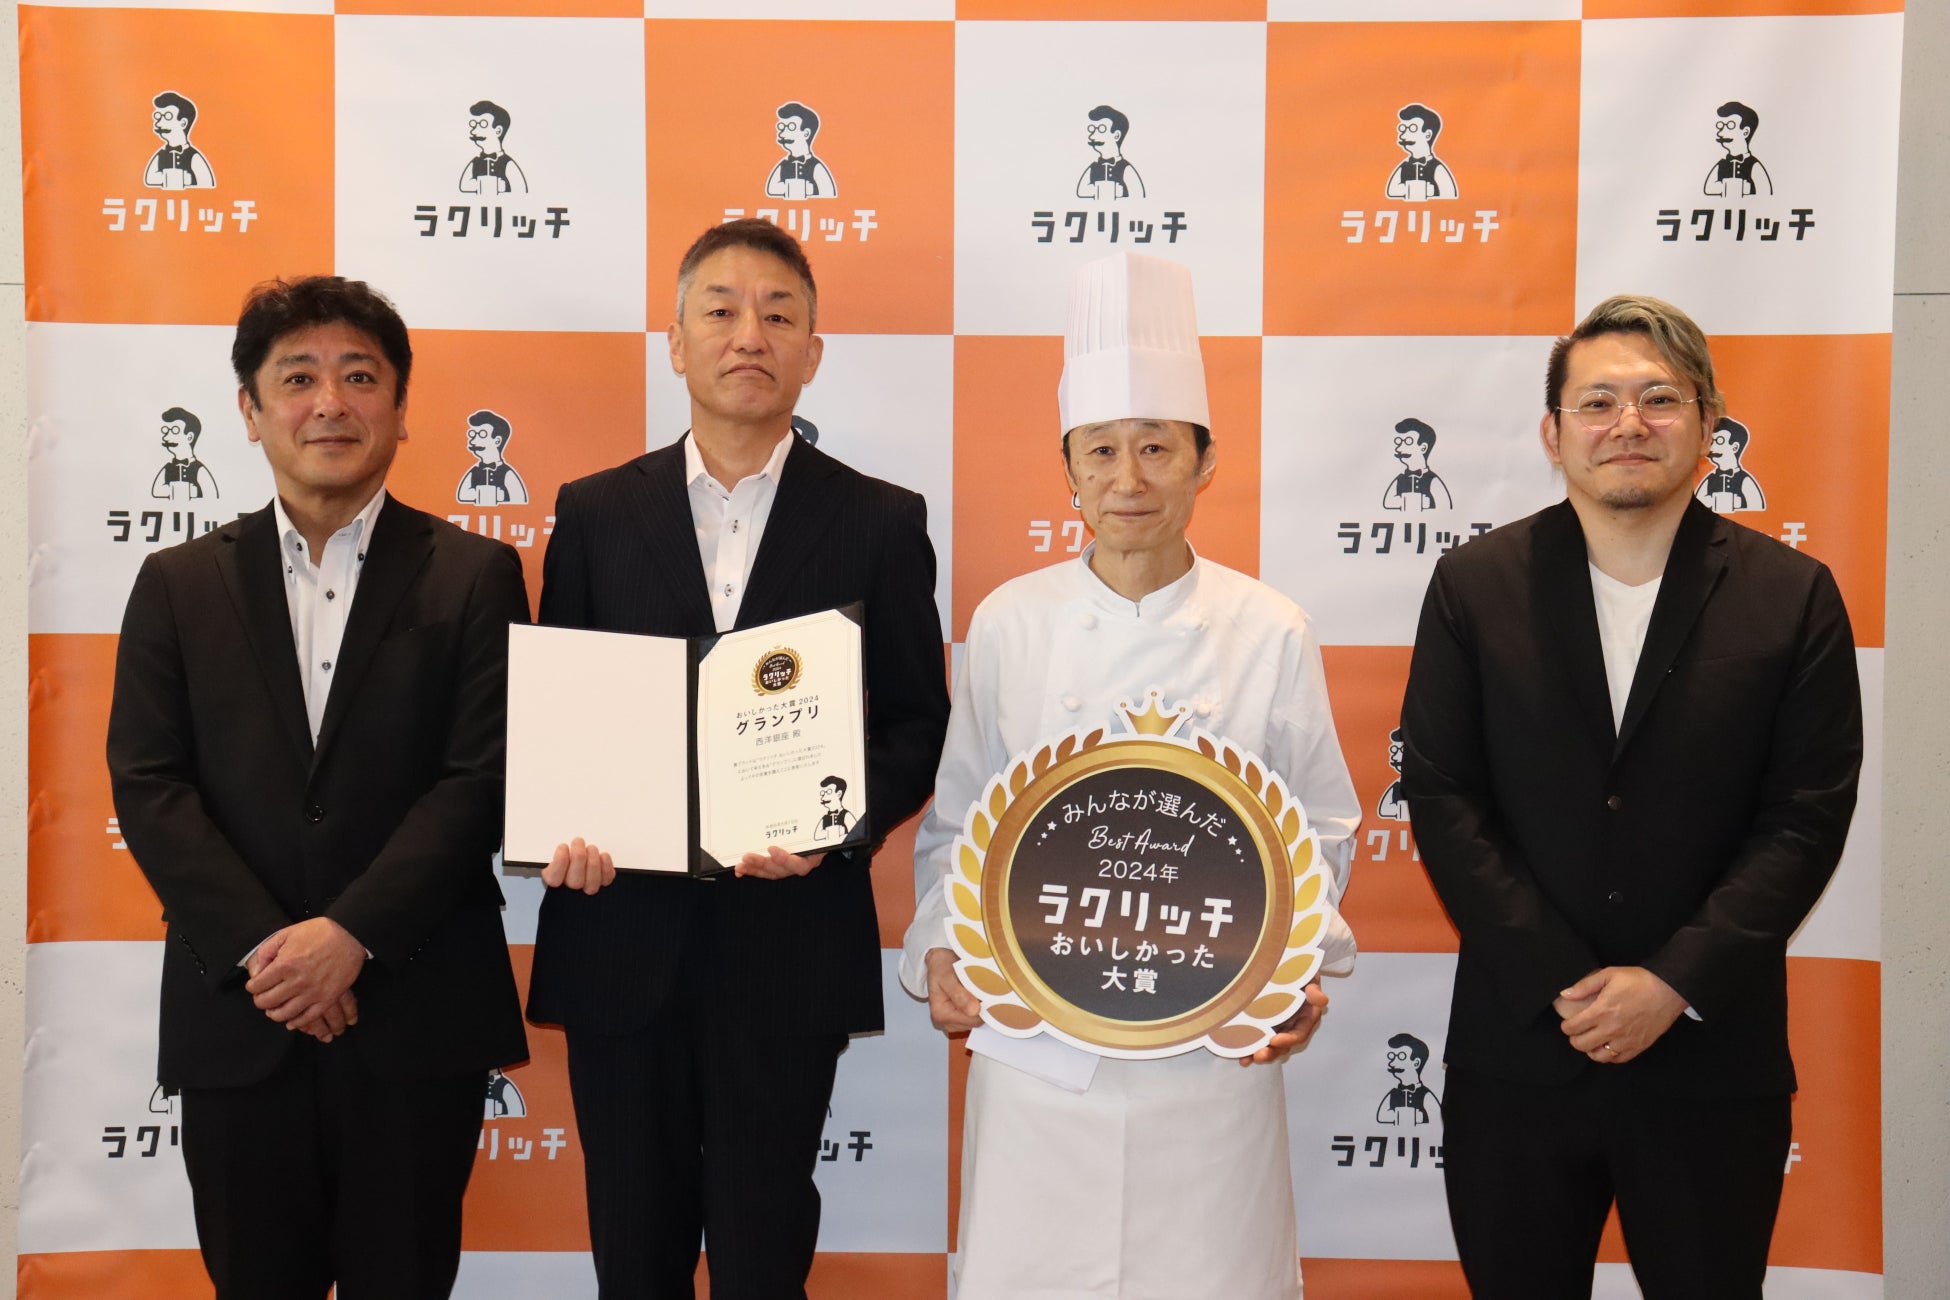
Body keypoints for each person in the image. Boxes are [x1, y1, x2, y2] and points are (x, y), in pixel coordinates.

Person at [903, 250, 1360, 1300]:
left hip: (1209, 1048)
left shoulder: (1269, 627)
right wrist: (940, 947)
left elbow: (1321, 829)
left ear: (1205, 461)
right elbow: (960, 820)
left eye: (1157, 447)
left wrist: (1292, 965)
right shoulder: (1010, 621)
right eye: (1101, 450)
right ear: (1067, 468)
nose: (1129, 479)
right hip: (1035, 1052)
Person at [1400, 294, 1861, 1299]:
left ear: (1706, 423)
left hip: (1710, 1058)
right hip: (1523, 1052)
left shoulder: (1792, 595)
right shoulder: (1475, 585)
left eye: (1659, 399)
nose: (1629, 424)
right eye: (1599, 401)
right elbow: (1442, 795)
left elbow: (1805, 816)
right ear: (1554, 432)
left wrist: (1671, 983)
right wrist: (1565, 979)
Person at [526, 217, 950, 1299]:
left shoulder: (880, 520)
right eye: (719, 310)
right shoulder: (595, 511)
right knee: (634, 1257)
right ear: (676, 343)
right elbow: (563, 712)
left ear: (813, 350)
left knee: (765, 1257)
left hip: (788, 943)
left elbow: (915, 721)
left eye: (778, 313)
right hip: (621, 937)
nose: (748, 334)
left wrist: (833, 827)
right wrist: (562, 824)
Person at [106, 275, 530, 1299]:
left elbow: (481, 777)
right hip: (239, 1018)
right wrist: (270, 949)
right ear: (250, 411)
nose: (330, 403)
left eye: (359, 377)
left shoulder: (475, 574)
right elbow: (149, 783)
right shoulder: (178, 583)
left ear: (400, 406)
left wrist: (350, 936)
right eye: (297, 378)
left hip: (414, 1013)